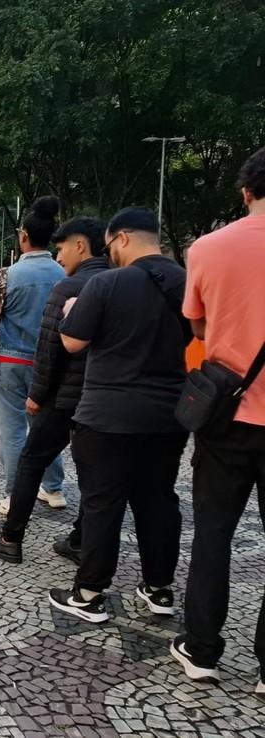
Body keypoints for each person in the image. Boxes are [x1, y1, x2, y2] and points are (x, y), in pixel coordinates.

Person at [48, 207, 189, 624]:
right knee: (159, 499)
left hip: (107, 413)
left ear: (122, 238)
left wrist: (71, 310)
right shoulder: (186, 282)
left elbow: (72, 342)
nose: (109, 252)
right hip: (168, 414)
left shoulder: (107, 282)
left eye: (110, 244)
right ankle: (159, 589)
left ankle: (89, 593)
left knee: (102, 502)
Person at [172, 148, 265, 692]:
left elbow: (199, 328)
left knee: (213, 534)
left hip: (227, 414)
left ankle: (202, 648)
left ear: (246, 192)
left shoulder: (208, 248)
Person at [0, 217, 109, 564]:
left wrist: (37, 395)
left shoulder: (30, 278)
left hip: (33, 372)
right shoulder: (112, 281)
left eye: (63, 248)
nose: (59, 255)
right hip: (101, 393)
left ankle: (12, 525)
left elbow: (48, 347)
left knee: (20, 439)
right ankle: (58, 496)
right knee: (96, 470)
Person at [0, 195, 66, 514]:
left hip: (11, 360)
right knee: (46, 427)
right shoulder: (64, 275)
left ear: (23, 236)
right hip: (51, 363)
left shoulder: (6, 276)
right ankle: (53, 487)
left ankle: (15, 494)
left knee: (13, 430)